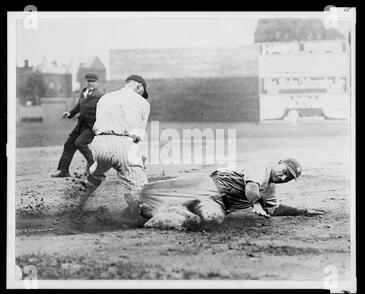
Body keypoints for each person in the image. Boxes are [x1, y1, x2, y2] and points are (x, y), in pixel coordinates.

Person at [138, 158, 324, 230]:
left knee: (211, 220)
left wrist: (301, 211)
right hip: (208, 185)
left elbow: (274, 209)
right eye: (284, 171)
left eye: (288, 178)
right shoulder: (261, 166)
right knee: (153, 191)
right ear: (278, 162)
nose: (283, 177)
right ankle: (140, 203)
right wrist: (257, 204)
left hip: (220, 204)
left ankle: (159, 214)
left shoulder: (271, 188)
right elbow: (251, 189)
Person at [71, 74, 150, 223]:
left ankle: (76, 206)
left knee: (95, 174)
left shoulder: (105, 98)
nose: (142, 95)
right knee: (140, 191)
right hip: (124, 144)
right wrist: (141, 159)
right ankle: (138, 216)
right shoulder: (143, 103)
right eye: (142, 91)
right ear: (139, 86)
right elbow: (139, 134)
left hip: (100, 143)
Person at [51, 73, 104, 178]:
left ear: (97, 83)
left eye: (93, 82)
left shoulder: (100, 95)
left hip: (92, 127)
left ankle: (96, 168)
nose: (90, 84)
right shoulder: (84, 92)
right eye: (89, 81)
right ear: (86, 82)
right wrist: (70, 113)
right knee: (69, 145)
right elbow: (79, 106)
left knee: (80, 143)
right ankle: (63, 170)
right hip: (81, 125)